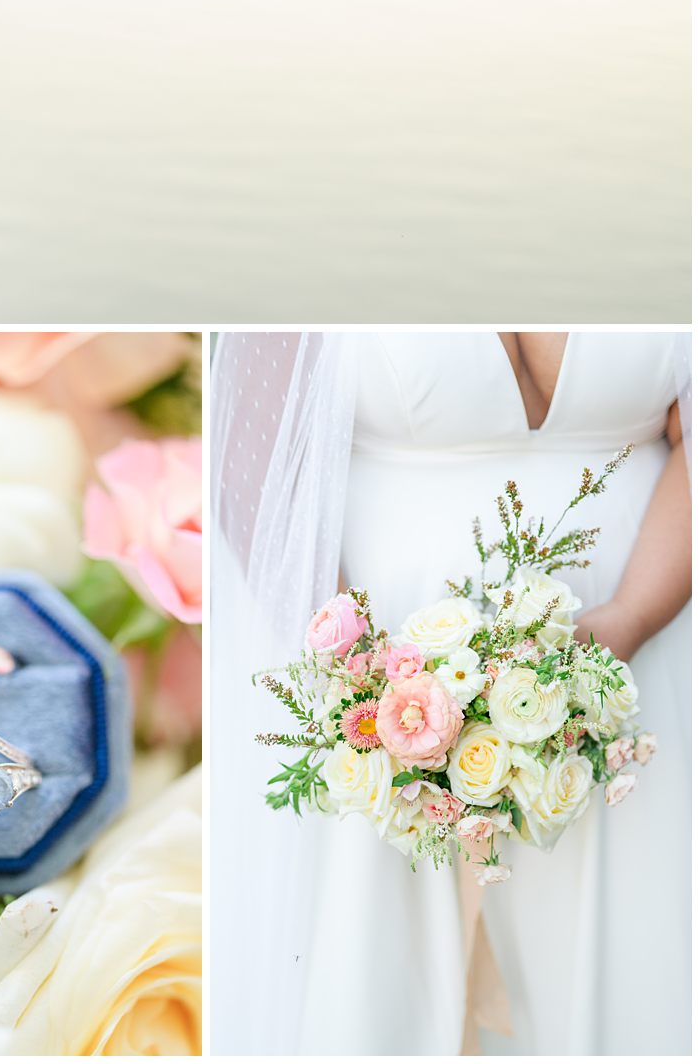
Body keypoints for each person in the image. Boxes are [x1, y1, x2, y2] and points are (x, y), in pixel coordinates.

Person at [211, 332, 691, 1054]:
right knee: (383, 959)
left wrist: (632, 618)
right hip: (376, 670)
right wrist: (365, 676)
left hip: (648, 641)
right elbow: (253, 450)